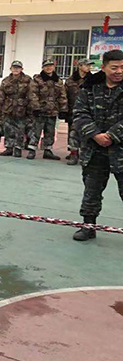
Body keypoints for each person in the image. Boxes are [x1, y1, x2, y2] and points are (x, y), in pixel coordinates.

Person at [72, 49, 123, 241]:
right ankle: (88, 226)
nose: (119, 71)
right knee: (91, 191)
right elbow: (79, 114)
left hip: (120, 149)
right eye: (114, 67)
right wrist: (95, 134)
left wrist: (111, 135)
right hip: (95, 150)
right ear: (103, 67)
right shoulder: (89, 88)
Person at [27, 59, 68, 160]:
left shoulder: (58, 81)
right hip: (40, 111)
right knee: (35, 131)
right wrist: (36, 108)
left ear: (54, 67)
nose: (48, 68)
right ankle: (32, 150)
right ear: (43, 68)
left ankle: (48, 150)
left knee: (50, 132)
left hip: (53, 111)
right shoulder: (37, 80)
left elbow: (62, 96)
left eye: (50, 66)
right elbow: (33, 94)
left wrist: (63, 109)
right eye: (46, 66)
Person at [0, 60, 32, 157]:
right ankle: (9, 147)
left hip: (22, 108)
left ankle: (18, 148)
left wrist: (30, 108)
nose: (16, 69)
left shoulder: (27, 80)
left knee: (20, 130)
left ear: (22, 69)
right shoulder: (6, 81)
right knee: (8, 129)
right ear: (10, 69)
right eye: (14, 68)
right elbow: (1, 95)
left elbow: (31, 95)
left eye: (18, 68)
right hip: (9, 108)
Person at [66, 59, 93, 166]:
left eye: (89, 66)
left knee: (87, 133)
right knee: (73, 134)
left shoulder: (93, 80)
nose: (89, 67)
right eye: (86, 65)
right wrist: (65, 110)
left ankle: (84, 155)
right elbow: (65, 96)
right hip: (74, 111)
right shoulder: (70, 80)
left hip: (89, 112)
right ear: (80, 66)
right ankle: (73, 154)